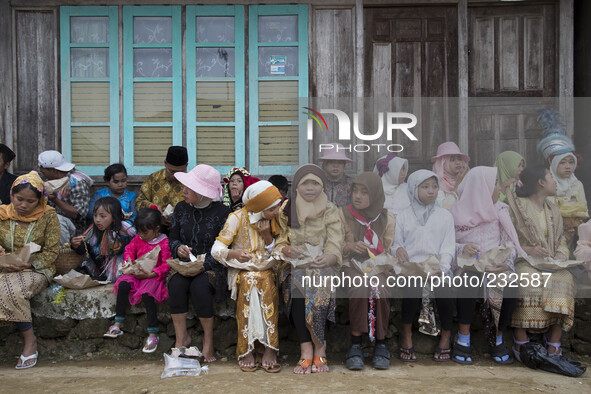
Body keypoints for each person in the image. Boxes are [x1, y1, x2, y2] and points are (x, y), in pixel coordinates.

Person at [450, 166, 526, 365]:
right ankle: (463, 336)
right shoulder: (456, 212)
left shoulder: (500, 211)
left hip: (495, 264)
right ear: (481, 188)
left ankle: (498, 337)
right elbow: (447, 243)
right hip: (467, 265)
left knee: (509, 284)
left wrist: (506, 263)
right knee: (468, 280)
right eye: (493, 185)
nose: (499, 189)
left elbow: (509, 243)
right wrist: (462, 248)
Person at [275, 164, 342, 374]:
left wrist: (330, 257)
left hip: (322, 264)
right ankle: (305, 349)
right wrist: (286, 249)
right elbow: (279, 240)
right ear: (297, 186)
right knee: (297, 284)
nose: (310, 188)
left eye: (315, 183)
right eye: (305, 183)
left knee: (320, 281)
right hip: (294, 265)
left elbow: (335, 241)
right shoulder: (286, 208)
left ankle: (320, 346)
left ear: (322, 186)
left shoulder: (330, 209)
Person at [212, 181, 283, 373]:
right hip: (241, 270)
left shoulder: (275, 218)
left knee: (264, 279)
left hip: (267, 269)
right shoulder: (236, 218)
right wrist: (234, 254)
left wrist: (267, 235)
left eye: (277, 205)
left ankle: (269, 347)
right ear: (259, 207)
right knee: (250, 279)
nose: (277, 210)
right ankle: (247, 347)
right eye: (272, 208)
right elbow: (216, 249)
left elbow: (278, 251)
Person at [507, 164, 575, 360]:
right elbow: (509, 238)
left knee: (565, 279)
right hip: (526, 261)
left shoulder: (553, 209)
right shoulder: (518, 207)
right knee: (527, 279)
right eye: (551, 177)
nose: (555, 182)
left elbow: (561, 238)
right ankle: (521, 341)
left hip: (551, 263)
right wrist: (529, 250)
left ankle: (554, 342)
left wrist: (562, 254)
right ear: (540, 183)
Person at [168, 165, 230, 362]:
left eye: (190, 187)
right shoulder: (180, 209)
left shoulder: (223, 213)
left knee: (200, 287)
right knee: (176, 285)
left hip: (211, 266)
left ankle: (208, 342)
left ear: (203, 193)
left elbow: (225, 247)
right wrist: (178, 248)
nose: (184, 190)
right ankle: (181, 338)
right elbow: (173, 238)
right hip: (184, 264)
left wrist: (204, 264)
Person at [393, 170, 455, 362]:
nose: (431, 191)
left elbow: (448, 247)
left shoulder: (445, 216)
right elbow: (396, 243)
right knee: (412, 286)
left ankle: (445, 334)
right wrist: (399, 250)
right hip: (411, 268)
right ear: (413, 189)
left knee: (444, 289)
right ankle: (406, 333)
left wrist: (442, 269)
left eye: (435, 187)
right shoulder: (403, 216)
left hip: (437, 267)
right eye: (425, 187)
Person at [0, 171, 60, 369]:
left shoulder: (48, 216)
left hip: (35, 269)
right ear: (11, 195)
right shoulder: (2, 214)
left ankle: (29, 341)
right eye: (19, 199)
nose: (23, 205)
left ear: (40, 200)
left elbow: (52, 252)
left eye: (30, 201)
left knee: (13, 291)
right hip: (4, 266)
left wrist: (29, 264)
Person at [341, 172, 395, 370]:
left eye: (364, 192)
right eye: (355, 191)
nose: (358, 196)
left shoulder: (387, 218)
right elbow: (335, 244)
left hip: (377, 265)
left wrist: (386, 265)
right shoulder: (343, 214)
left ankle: (381, 343)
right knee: (359, 287)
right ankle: (355, 343)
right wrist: (349, 247)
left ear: (375, 194)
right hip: (351, 265)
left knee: (380, 287)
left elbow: (388, 248)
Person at [104, 207, 171, 353]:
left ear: (156, 229)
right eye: (139, 231)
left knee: (148, 294)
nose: (141, 235)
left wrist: (152, 273)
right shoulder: (138, 238)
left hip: (152, 276)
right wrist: (129, 263)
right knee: (122, 284)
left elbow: (166, 264)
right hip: (136, 273)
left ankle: (153, 332)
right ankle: (118, 322)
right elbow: (129, 249)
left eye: (145, 232)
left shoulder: (164, 242)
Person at [536, 108, 588, 254]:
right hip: (551, 228)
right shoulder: (547, 183)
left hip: (574, 228)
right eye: (563, 163)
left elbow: (582, 208)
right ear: (553, 165)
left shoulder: (577, 184)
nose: (568, 166)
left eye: (571, 162)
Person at [71, 197, 135, 282]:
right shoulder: (92, 231)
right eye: (95, 215)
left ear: (114, 217)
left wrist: (122, 247)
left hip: (120, 268)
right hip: (99, 267)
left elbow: (135, 246)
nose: (97, 220)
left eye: (102, 216)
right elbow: (84, 250)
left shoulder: (124, 229)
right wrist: (75, 245)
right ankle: (102, 274)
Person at [38, 150, 93, 241]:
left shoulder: (76, 181)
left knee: (56, 219)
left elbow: (79, 214)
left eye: (44, 173)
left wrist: (55, 200)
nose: (44, 176)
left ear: (53, 170)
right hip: (49, 223)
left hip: (73, 229)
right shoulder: (51, 180)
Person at [135, 146, 188, 229]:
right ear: (165, 163)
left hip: (182, 228)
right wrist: (151, 206)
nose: (175, 176)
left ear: (186, 166)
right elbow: (139, 203)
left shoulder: (191, 183)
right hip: (155, 229)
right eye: (172, 171)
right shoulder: (152, 179)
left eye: (180, 172)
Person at [431, 141, 470, 210]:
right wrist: (457, 186)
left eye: (460, 159)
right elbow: (444, 208)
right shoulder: (436, 183)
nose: (458, 162)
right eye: (452, 160)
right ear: (443, 163)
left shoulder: (466, 179)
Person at [318, 143, 353, 207]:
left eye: (340, 162)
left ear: (344, 165)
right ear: (325, 164)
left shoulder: (351, 184)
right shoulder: (318, 182)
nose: (335, 166)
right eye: (331, 162)